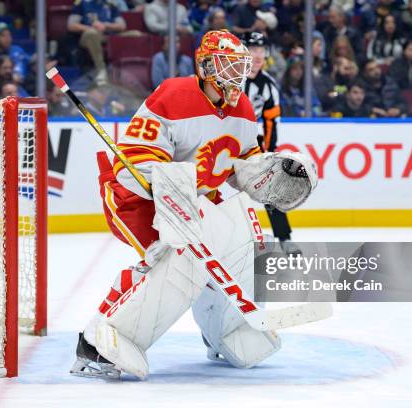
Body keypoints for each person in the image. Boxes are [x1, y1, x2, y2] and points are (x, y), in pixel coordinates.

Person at [69, 30, 317, 380]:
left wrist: (268, 174)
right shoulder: (173, 94)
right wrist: (178, 192)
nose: (235, 75)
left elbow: (244, 166)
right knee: (172, 259)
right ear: (204, 65)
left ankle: (225, 330)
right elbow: (139, 160)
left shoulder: (243, 108)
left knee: (239, 248)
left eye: (239, 66)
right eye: (227, 65)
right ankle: (99, 340)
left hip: (195, 203)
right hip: (139, 200)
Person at [241, 32, 300, 255]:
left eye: (261, 50)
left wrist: (269, 151)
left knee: (272, 188)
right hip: (226, 142)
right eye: (252, 49)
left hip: (254, 144)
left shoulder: (268, 85)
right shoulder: (231, 78)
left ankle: (285, 238)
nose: (257, 55)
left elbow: (271, 121)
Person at [67, 0, 126, 85]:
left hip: (108, 35)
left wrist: (105, 26)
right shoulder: (82, 4)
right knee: (92, 34)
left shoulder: (110, 4)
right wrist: (90, 28)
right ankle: (101, 70)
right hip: (88, 35)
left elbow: (122, 25)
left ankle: (129, 72)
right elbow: (71, 25)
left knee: (136, 34)